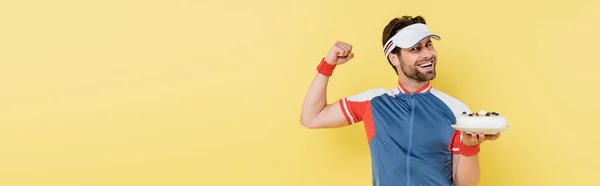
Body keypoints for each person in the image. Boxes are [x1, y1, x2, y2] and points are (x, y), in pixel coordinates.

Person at [299, 15, 502, 186]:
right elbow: (311, 117)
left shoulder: (457, 111)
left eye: (428, 45)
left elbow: (465, 184)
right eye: (415, 49)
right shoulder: (372, 102)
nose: (428, 54)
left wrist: (470, 145)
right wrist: (328, 65)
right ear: (394, 58)